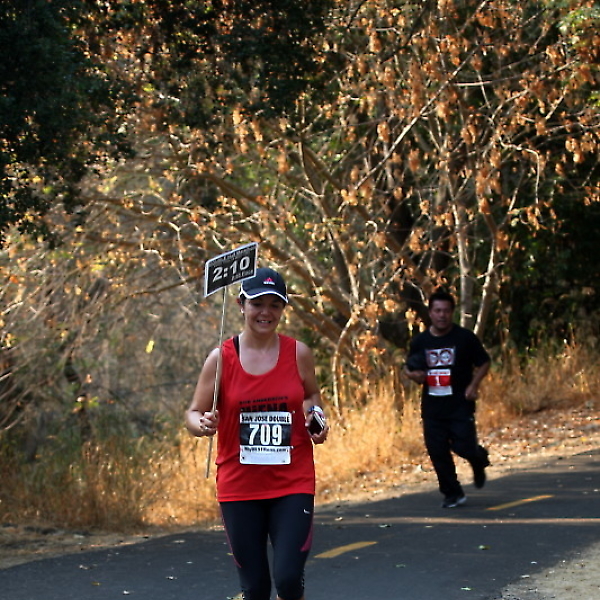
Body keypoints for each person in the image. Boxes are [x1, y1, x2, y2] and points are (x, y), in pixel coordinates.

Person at [186, 267, 329, 600]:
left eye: (275, 305)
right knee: (255, 588)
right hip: (240, 486)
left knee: (288, 579)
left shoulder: (298, 353)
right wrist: (202, 424)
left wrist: (316, 418)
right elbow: (192, 413)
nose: (266, 312)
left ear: (283, 308)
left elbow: (311, 395)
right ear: (241, 305)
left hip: (292, 482)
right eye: (257, 304)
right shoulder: (221, 359)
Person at [404, 288, 491, 508]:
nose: (442, 315)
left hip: (460, 403)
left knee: (464, 447)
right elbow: (409, 368)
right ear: (430, 313)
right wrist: (414, 375)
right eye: (437, 311)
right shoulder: (420, 341)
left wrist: (473, 385)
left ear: (452, 312)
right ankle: (452, 493)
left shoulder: (464, 338)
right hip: (433, 406)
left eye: (446, 311)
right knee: (437, 451)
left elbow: (484, 362)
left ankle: (478, 459)